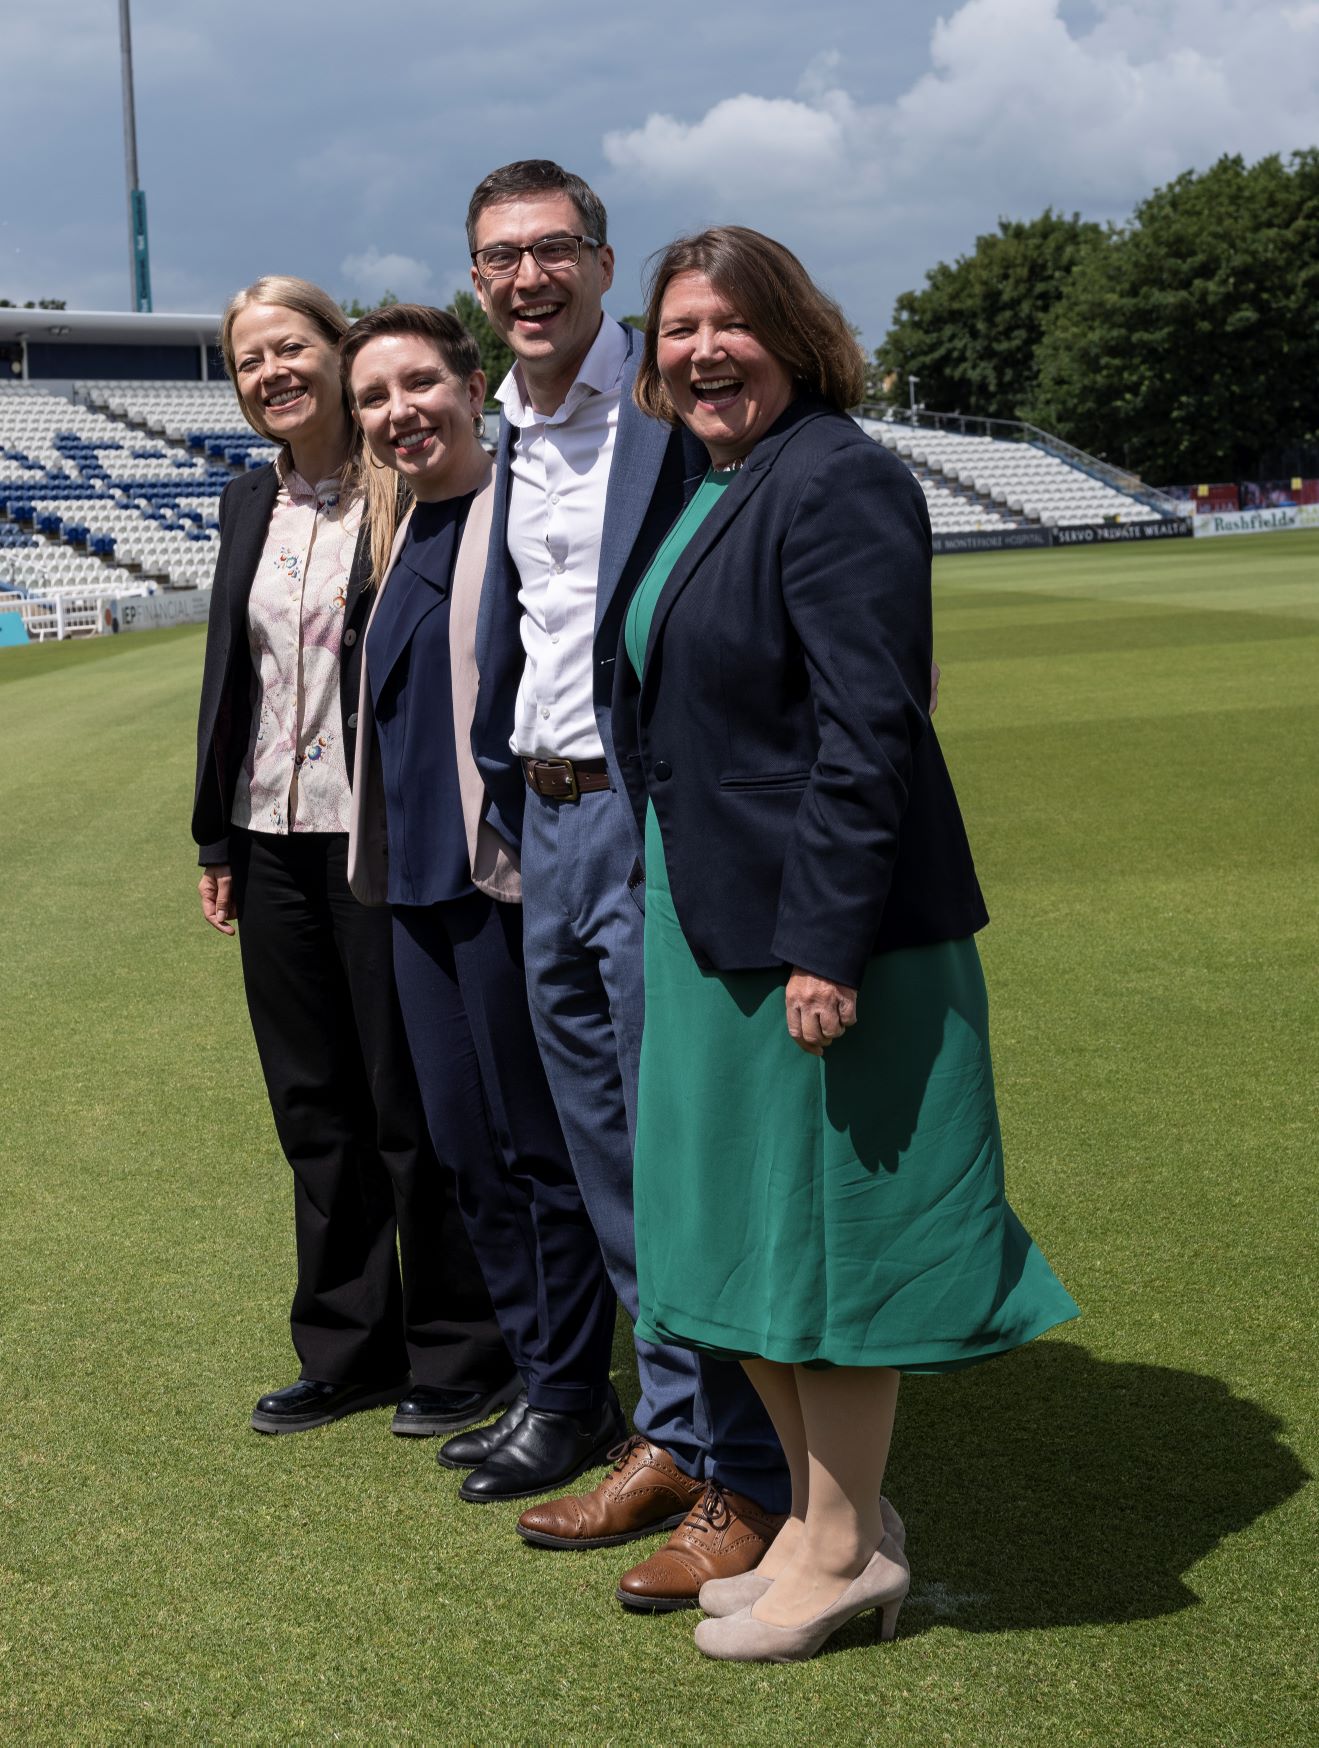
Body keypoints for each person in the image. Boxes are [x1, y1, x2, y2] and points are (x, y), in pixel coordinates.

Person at [612, 227, 1080, 1663]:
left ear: (795, 334)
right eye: (676, 328)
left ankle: (836, 1548)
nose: (700, 350)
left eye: (728, 324)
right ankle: (832, 1523)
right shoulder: (716, 483)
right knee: (734, 1241)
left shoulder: (841, 476)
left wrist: (827, 941)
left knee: (827, 1248)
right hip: (712, 924)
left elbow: (868, 728)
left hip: (818, 937)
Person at [466, 161, 791, 1610]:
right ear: (475, 280)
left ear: (600, 263)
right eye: (497, 258)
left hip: (656, 823)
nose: (524, 279)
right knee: (608, 1158)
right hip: (545, 825)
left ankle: (752, 1476)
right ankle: (671, 1430)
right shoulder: (507, 428)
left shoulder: (668, 403)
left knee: (685, 1155)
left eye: (550, 251)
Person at [191, 276, 514, 1438]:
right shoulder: (245, 503)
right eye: (248, 361)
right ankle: (346, 1344)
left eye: (291, 348)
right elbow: (235, 677)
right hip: (269, 834)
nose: (271, 373)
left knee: (410, 1101)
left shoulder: (412, 487)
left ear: (337, 351)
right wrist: (212, 832)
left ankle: (460, 1345)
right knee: (313, 1104)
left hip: (380, 831)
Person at [339, 303, 625, 1502]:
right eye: (375, 397)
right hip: (412, 884)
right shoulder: (396, 525)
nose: (400, 412)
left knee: (534, 1144)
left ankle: (573, 1394)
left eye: (418, 384)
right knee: (465, 1146)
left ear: (472, 383)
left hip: (503, 875)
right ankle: (536, 1370)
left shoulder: (516, 511)